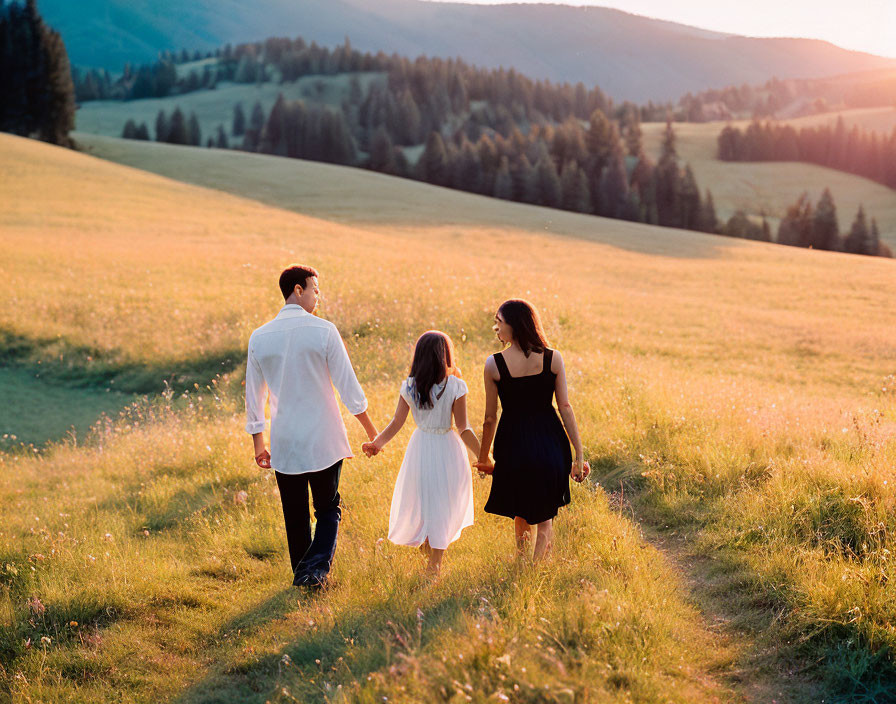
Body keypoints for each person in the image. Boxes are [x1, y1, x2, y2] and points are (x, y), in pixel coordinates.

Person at [245, 265, 378, 589]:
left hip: (286, 439)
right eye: (315, 289)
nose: (318, 296)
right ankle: (315, 571)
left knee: (295, 513)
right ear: (298, 289)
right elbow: (348, 386)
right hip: (323, 438)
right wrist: (372, 432)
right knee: (328, 507)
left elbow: (253, 394)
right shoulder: (324, 330)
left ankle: (303, 575)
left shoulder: (260, 336)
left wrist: (259, 444)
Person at [475, 299, 589, 560]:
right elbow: (565, 407)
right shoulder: (553, 358)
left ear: (514, 325)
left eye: (499, 322)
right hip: (550, 442)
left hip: (513, 443)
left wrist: (484, 458)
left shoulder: (493, 365)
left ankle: (523, 564)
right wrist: (578, 454)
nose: (496, 328)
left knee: (521, 509)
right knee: (545, 513)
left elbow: (490, 418)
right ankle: (534, 571)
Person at [362, 331, 480, 576]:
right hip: (447, 447)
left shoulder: (410, 385)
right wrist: (484, 455)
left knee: (427, 499)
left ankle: (431, 549)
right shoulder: (456, 385)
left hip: (421, 446)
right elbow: (463, 427)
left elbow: (396, 423)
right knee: (443, 503)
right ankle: (434, 564)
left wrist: (377, 444)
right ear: (445, 356)